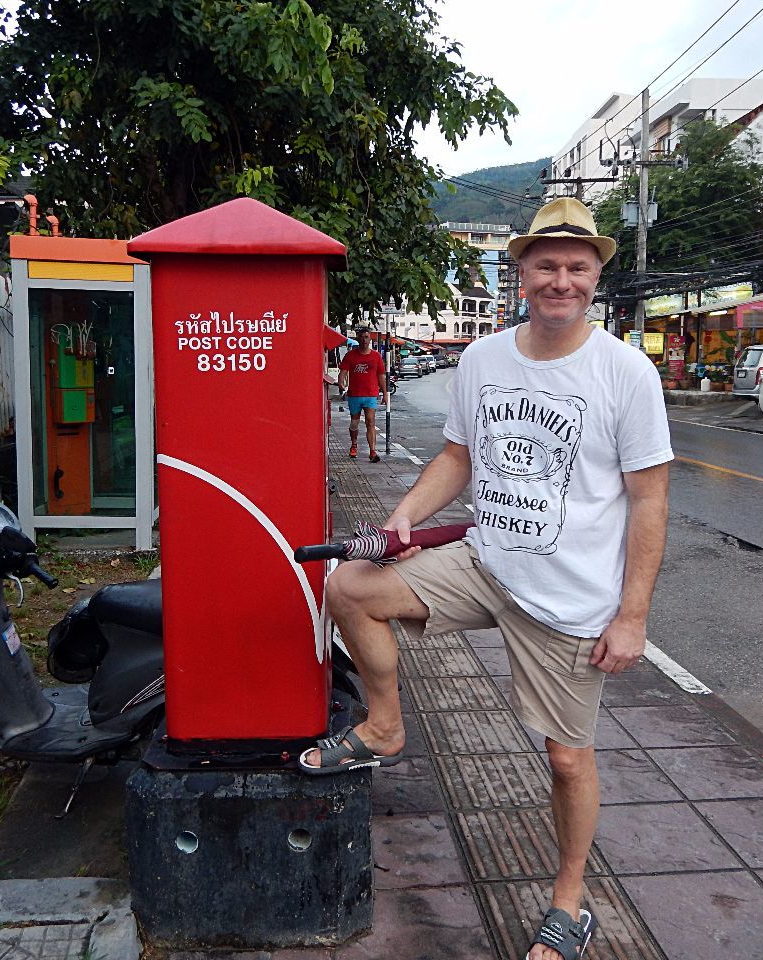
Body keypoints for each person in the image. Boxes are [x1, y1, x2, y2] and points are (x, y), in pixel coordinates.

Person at [300, 197, 672, 960]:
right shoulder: (482, 359)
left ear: (596, 275)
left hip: (570, 597)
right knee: (351, 587)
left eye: (576, 266)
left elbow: (650, 497)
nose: (560, 280)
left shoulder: (625, 372)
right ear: (522, 272)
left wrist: (631, 616)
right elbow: (458, 459)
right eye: (546, 265)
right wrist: (403, 518)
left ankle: (571, 902)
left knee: (566, 756)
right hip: (486, 562)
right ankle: (384, 726)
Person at [338, 328, 389, 463]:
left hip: (371, 395)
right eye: (361, 337)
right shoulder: (350, 356)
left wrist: (385, 393)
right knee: (354, 422)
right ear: (358, 338)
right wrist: (341, 383)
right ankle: (354, 444)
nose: (364, 340)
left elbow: (381, 376)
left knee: (370, 421)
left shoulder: (376, 356)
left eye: (366, 337)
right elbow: (343, 371)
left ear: (369, 339)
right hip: (355, 395)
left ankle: (372, 451)